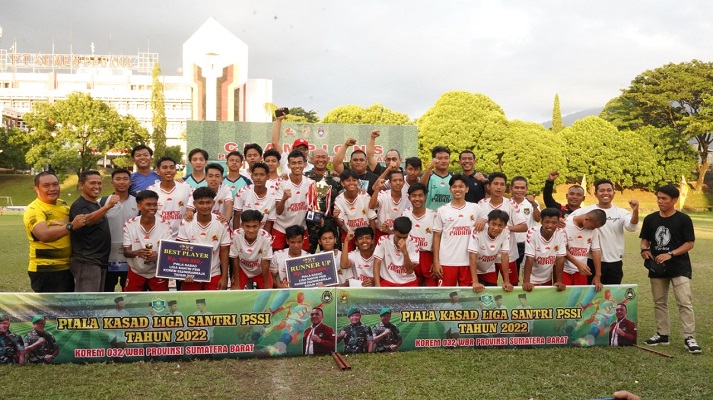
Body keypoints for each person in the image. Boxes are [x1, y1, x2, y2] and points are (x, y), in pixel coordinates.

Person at [640, 185, 700, 354]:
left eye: (664, 198)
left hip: (679, 266)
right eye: (658, 198)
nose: (660, 201)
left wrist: (670, 254)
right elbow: (645, 240)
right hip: (657, 267)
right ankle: (662, 334)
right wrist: (644, 250)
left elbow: (690, 243)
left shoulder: (683, 219)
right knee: (659, 302)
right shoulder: (650, 219)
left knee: (684, 302)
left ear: (674, 200)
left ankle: (689, 337)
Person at [569, 178, 639, 284]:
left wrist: (635, 212)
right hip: (591, 262)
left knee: (611, 296)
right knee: (591, 296)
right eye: (602, 190)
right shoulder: (585, 211)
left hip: (615, 262)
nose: (606, 193)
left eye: (609, 190)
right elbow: (569, 222)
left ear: (613, 193)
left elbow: (631, 227)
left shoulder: (621, 213)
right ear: (595, 193)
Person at [24, 171, 85, 293]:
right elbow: (44, 235)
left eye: (55, 184)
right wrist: (70, 226)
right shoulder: (33, 209)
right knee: (49, 310)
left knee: (65, 309)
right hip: (46, 270)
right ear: (37, 188)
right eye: (46, 186)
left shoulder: (62, 204)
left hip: (67, 268)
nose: (52, 189)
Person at [432, 174, 485, 287]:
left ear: (466, 189)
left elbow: (487, 218)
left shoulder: (475, 208)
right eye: (454, 187)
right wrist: (436, 261)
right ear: (450, 189)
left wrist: (483, 221)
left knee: (466, 298)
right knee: (445, 297)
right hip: (447, 261)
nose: (457, 189)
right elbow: (436, 236)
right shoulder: (442, 210)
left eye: (461, 186)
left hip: (468, 262)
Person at [70, 170, 117, 292]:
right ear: (81, 185)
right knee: (87, 302)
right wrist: (108, 206)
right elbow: (86, 220)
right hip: (87, 262)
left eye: (99, 183)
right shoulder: (80, 205)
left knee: (95, 302)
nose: (97, 186)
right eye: (92, 183)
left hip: (98, 262)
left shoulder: (95, 204)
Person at [177, 187, 231, 290]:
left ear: (214, 203)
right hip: (191, 273)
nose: (205, 206)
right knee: (190, 304)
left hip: (214, 273)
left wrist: (224, 277)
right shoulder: (186, 223)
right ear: (194, 204)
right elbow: (182, 250)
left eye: (208, 202)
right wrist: (185, 272)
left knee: (214, 304)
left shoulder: (222, 223)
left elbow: (224, 251)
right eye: (201, 203)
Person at [478, 172, 527, 285]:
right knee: (488, 287)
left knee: (511, 285)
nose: (499, 187)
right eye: (495, 184)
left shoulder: (511, 204)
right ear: (489, 186)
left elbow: (524, 226)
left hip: (508, 253)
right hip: (487, 255)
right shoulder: (481, 204)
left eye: (502, 184)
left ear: (505, 187)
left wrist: (504, 229)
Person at [123, 189, 175, 291]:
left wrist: (158, 256)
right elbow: (126, 252)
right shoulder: (130, 224)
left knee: (160, 303)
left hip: (157, 273)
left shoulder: (165, 225)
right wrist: (137, 252)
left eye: (154, 205)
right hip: (136, 271)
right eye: (148, 205)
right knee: (132, 303)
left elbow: (170, 252)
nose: (152, 208)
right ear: (139, 206)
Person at [102, 168, 139, 292]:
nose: (121, 182)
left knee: (129, 292)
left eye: (125, 179)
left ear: (130, 182)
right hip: (108, 256)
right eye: (118, 179)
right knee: (106, 291)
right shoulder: (102, 202)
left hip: (131, 256)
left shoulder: (138, 203)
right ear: (112, 182)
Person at [273, 150, 314, 251]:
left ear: (305, 164)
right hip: (281, 228)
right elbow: (278, 211)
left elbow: (313, 208)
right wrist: (284, 199)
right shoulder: (282, 183)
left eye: (300, 163)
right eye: (293, 163)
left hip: (300, 228)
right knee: (276, 259)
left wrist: (318, 216)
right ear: (288, 165)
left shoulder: (311, 183)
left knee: (302, 261)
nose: (297, 166)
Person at [305, 148, 342, 253]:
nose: (320, 159)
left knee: (333, 256)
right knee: (307, 256)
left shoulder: (335, 178)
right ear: (311, 159)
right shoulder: (305, 177)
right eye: (317, 157)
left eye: (323, 157)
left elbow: (342, 199)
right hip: (309, 224)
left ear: (328, 159)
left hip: (330, 224)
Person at [522, 208, 567, 292]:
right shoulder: (532, 232)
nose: (550, 226)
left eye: (554, 222)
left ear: (558, 223)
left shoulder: (561, 233)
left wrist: (559, 281)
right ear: (541, 221)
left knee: (545, 302)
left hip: (547, 276)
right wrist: (526, 281)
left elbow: (560, 259)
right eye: (547, 222)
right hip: (532, 276)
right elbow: (529, 259)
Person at [401, 183, 437, 286]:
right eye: (414, 196)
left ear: (425, 197)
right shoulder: (405, 214)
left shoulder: (433, 215)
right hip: (411, 255)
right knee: (413, 287)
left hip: (428, 255)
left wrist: (436, 261)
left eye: (420, 195)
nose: (417, 199)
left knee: (431, 288)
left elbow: (437, 239)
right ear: (409, 197)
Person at [468, 210, 513, 292]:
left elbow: (505, 255)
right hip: (472, 269)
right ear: (488, 223)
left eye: (500, 225)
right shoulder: (477, 230)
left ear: (505, 225)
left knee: (491, 295)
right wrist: (475, 281)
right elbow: (472, 255)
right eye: (494, 224)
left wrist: (506, 281)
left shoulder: (506, 231)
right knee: (473, 296)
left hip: (488, 268)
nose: (496, 228)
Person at [146, 156, 193, 233]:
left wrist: (189, 210)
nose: (169, 170)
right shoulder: (151, 190)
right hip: (159, 235)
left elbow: (193, 207)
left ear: (176, 170)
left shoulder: (186, 188)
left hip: (182, 235)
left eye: (172, 167)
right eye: (164, 167)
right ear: (158, 171)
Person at [334, 168, 377, 251]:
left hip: (365, 232)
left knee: (367, 256)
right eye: (348, 180)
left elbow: (372, 219)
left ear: (358, 182)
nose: (351, 183)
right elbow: (341, 224)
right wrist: (335, 217)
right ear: (342, 183)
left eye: (354, 180)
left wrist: (373, 238)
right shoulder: (339, 199)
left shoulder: (365, 196)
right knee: (347, 259)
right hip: (348, 233)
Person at [563, 209, 607, 290]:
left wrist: (598, 275)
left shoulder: (594, 230)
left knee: (579, 298)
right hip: (563, 270)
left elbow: (596, 251)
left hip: (582, 271)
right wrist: (578, 264)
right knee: (562, 298)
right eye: (593, 227)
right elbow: (561, 249)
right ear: (587, 219)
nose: (593, 229)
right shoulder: (564, 224)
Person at [230, 210, 274, 290]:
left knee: (267, 293)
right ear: (242, 225)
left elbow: (265, 262)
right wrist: (236, 282)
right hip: (242, 268)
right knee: (235, 292)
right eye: (247, 226)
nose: (251, 230)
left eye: (254, 226)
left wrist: (266, 285)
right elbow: (235, 259)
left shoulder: (266, 238)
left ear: (260, 225)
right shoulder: (235, 235)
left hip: (260, 269)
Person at [373, 216, 419, 287]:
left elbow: (410, 271)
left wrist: (405, 253)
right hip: (387, 281)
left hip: (408, 282)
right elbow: (376, 263)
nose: (402, 240)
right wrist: (377, 286)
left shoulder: (414, 243)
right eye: (399, 237)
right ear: (393, 231)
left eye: (405, 237)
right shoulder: (383, 240)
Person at [233, 162, 278, 233]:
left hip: (261, 235)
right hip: (242, 233)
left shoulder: (273, 196)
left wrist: (265, 239)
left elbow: (269, 222)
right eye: (255, 175)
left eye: (262, 175)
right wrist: (235, 235)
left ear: (268, 176)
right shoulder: (242, 192)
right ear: (251, 176)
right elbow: (237, 215)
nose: (258, 178)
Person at [510, 176, 541, 274]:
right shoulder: (507, 203)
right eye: (516, 187)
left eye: (522, 188)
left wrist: (534, 204)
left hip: (527, 244)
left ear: (526, 189)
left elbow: (538, 219)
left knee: (528, 276)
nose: (519, 190)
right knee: (513, 277)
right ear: (511, 189)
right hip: (511, 244)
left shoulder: (533, 203)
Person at [370, 167, 411, 242]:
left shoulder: (408, 198)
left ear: (404, 183)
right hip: (381, 233)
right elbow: (372, 206)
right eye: (394, 180)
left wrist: (390, 231)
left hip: (400, 236)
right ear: (389, 183)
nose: (398, 183)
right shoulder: (383, 194)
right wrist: (377, 189)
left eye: (400, 180)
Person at [271, 108, 314, 173]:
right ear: (293, 150)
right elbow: (275, 143)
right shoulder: (285, 161)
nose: (301, 151)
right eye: (299, 149)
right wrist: (278, 120)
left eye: (304, 149)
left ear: (308, 151)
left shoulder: (312, 168)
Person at [420, 146, 453, 211]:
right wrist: (429, 168)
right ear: (433, 160)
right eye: (440, 158)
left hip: (449, 217)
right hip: (431, 216)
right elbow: (419, 187)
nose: (443, 161)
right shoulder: (428, 176)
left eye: (446, 158)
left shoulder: (453, 178)